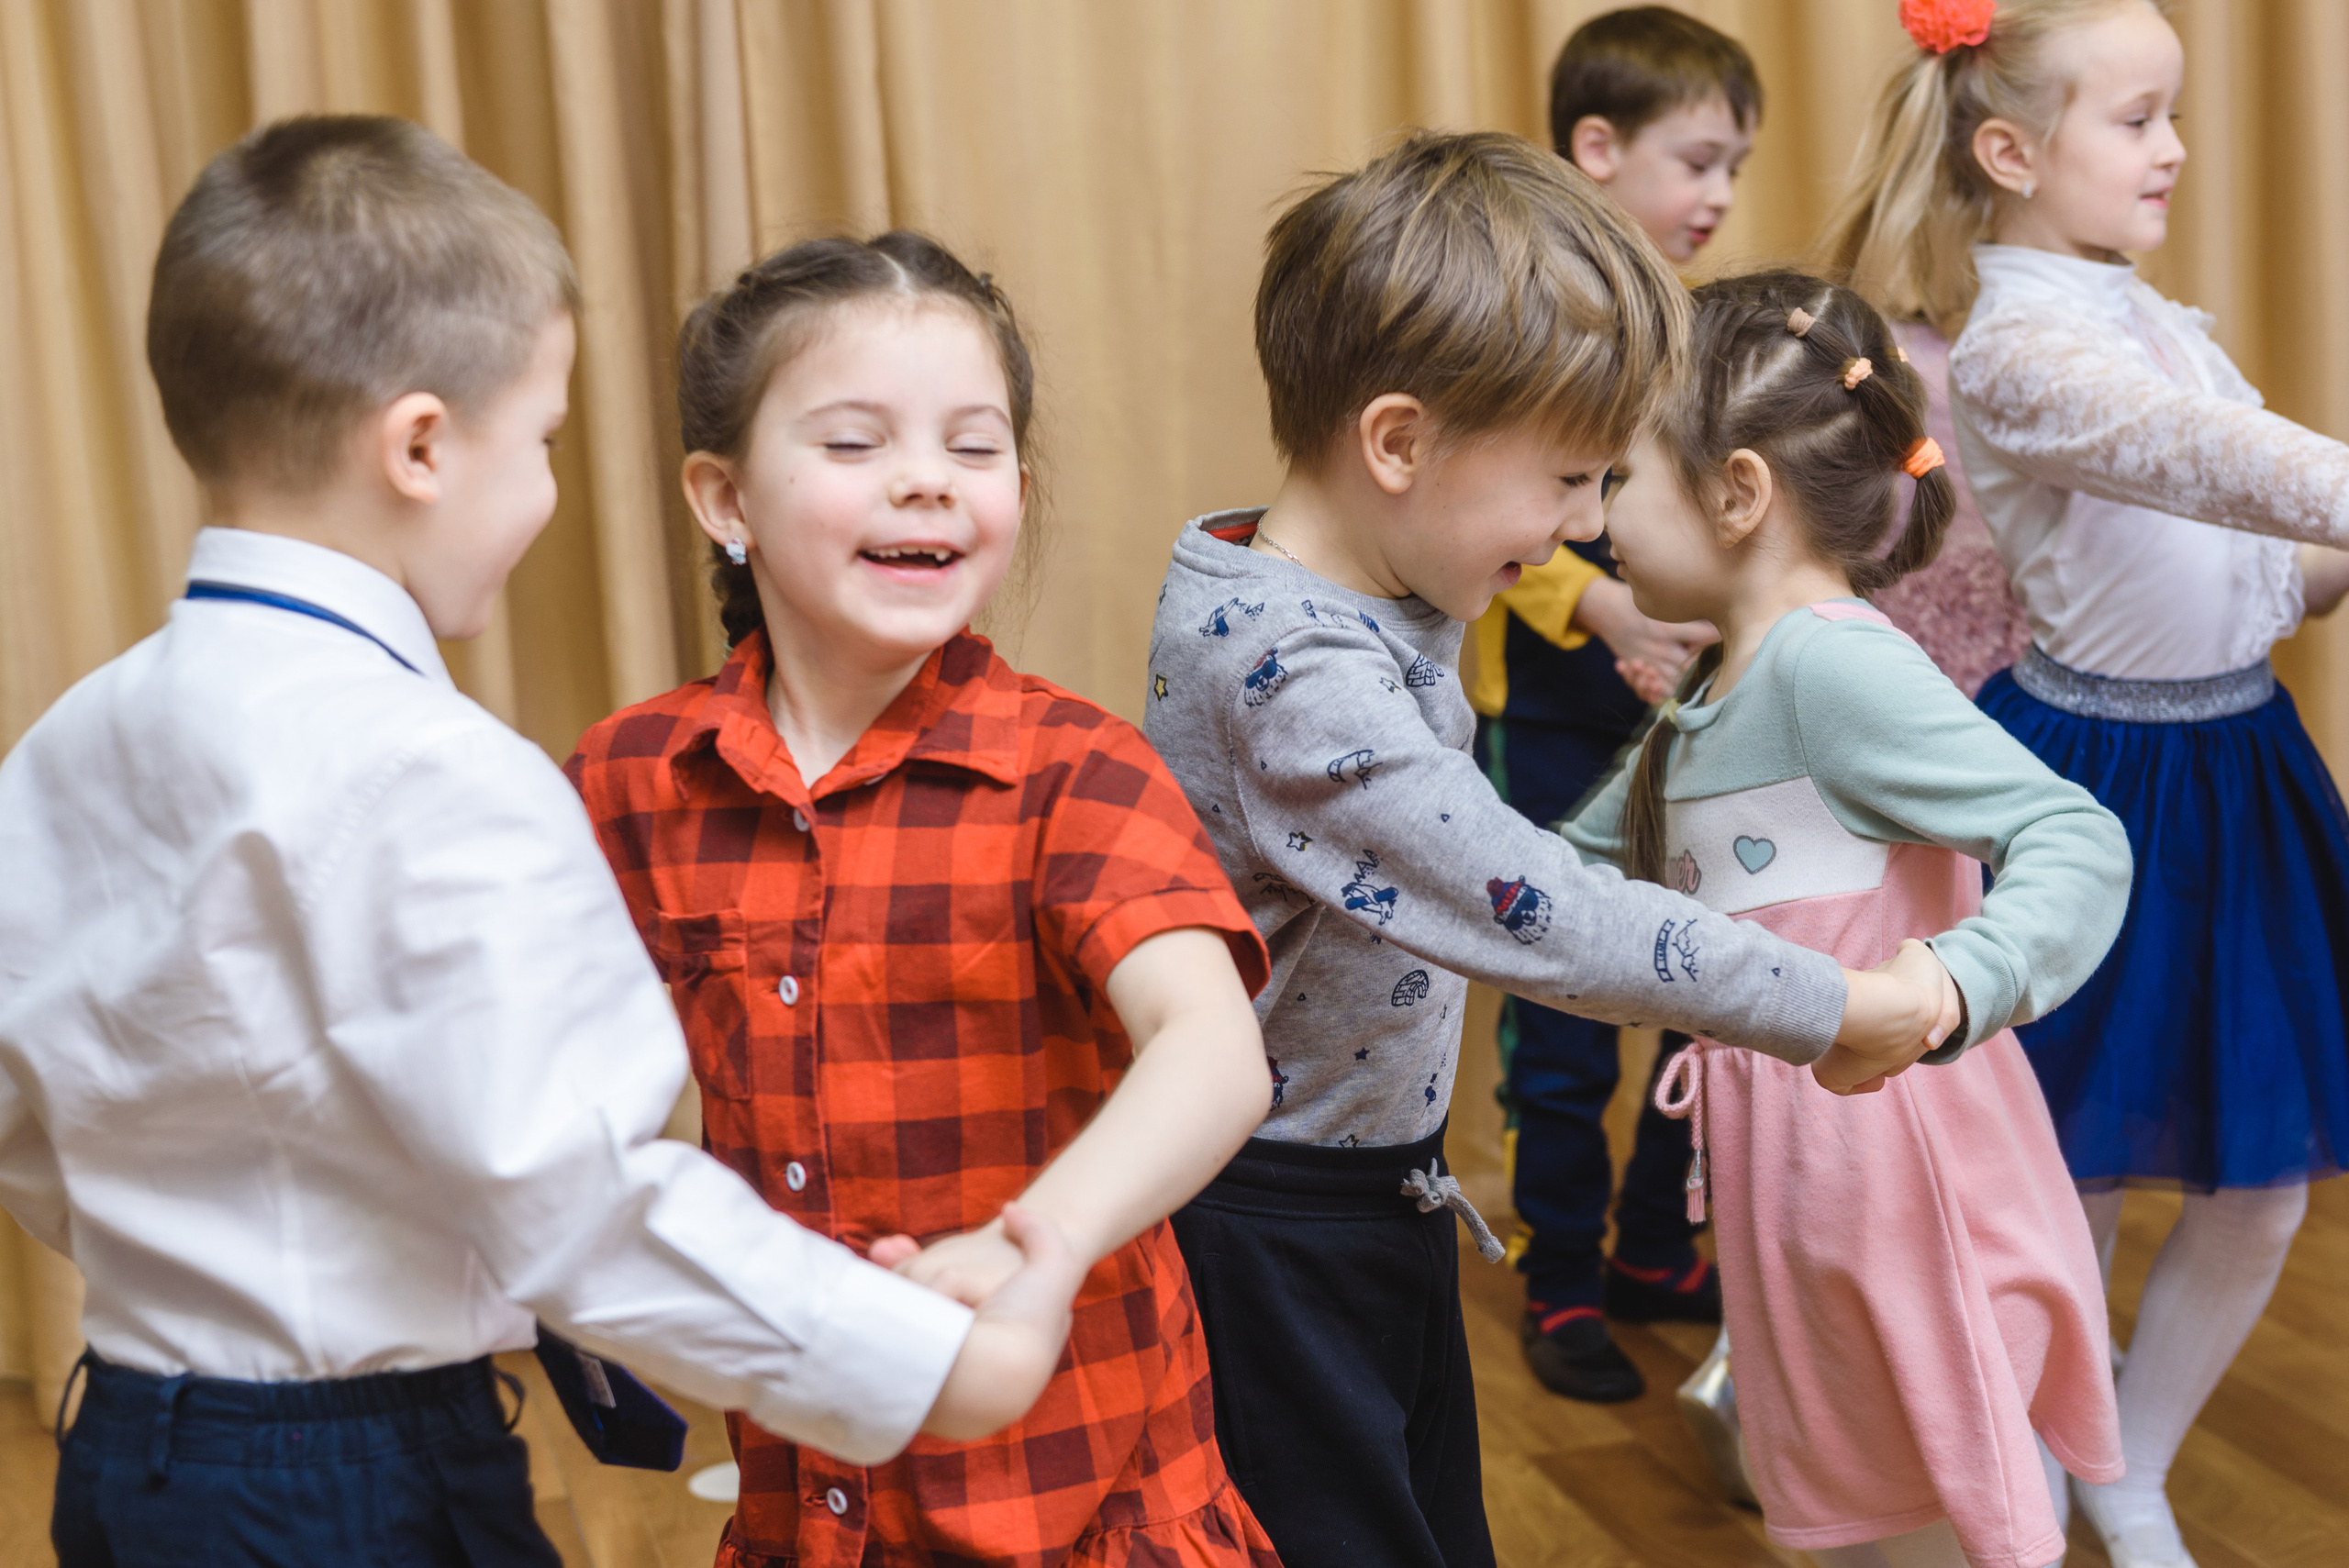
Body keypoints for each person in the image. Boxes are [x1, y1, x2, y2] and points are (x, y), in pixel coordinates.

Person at [0, 117, 1084, 1568]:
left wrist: (189, 1266)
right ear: (425, 446)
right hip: (354, 1476)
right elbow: (582, 1202)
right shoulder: (436, 775)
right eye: (548, 439)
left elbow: (29, 1114)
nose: (551, 489)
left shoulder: (72, 738)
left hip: (130, 1447)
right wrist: (932, 1363)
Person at [1143, 130, 1964, 1568]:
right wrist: (1831, 1006)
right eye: (1569, 481)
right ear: (1397, 443)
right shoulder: (1298, 680)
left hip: (1370, 1191)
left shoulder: (1350, 586)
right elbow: (1539, 914)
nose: (1587, 527)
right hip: (1276, 1227)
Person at [566, 233, 1281, 1568]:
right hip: (813, 1503)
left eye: (975, 444)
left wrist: (1047, 1245)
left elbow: (1214, 1045)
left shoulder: (1073, 769)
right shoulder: (623, 782)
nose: (926, 483)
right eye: (853, 444)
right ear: (725, 500)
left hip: (1080, 1494)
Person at [1849, 3, 2349, 1563]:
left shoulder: (2153, 316)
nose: (2176, 149)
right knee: (2071, 1173)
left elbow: (2259, 569)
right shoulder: (2013, 351)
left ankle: (2127, 1463)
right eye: (2135, 120)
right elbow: (2199, 459)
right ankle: (2036, 1466)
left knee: (2261, 1182)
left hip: (2241, 763)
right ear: (2010, 150)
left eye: (2174, 114)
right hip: (2097, 780)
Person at [1557, 269, 2131, 1568]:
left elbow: (2075, 835)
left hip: (1901, 1181)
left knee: (1938, 1514)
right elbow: (1555, 881)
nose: (1591, 520)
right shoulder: (1711, 686)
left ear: (1739, 492)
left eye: (1616, 479)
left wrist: (1945, 982)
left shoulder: (1833, 662)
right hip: (1793, 1193)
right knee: (1850, 1515)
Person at [1470, 3, 1765, 1405]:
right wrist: (1606, 608)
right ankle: (1564, 1273)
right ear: (1595, 148)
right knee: (1569, 1005)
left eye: (1733, 169)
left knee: (1698, 992)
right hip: (1551, 722)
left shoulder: (1697, 328)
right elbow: (1482, 519)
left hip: (1676, 724)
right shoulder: (1520, 311)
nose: (1719, 196)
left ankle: (1658, 1245)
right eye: (1696, 161)